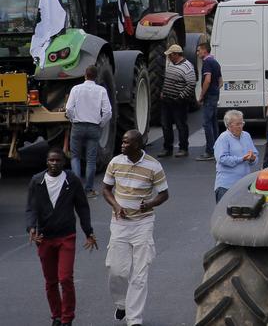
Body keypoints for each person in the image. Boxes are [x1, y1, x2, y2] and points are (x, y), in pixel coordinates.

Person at [103, 129, 168, 326]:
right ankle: (122, 304)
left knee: (140, 274)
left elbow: (164, 194)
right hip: (120, 223)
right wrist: (116, 205)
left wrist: (150, 204)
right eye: (122, 142)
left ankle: (134, 319)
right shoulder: (115, 162)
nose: (122, 145)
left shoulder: (153, 166)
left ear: (137, 145)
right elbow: (106, 189)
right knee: (116, 270)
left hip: (143, 224)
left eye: (126, 143)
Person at [27, 148, 96, 326]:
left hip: (66, 236)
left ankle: (67, 318)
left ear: (64, 163)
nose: (54, 164)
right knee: (50, 281)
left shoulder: (72, 180)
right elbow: (31, 208)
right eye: (51, 160)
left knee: (65, 278)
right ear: (46, 162)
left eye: (58, 160)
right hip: (44, 238)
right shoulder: (37, 181)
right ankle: (56, 316)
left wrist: (88, 232)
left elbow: (82, 207)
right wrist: (31, 228)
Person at [65, 65, 112, 196]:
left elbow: (68, 109)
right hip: (94, 127)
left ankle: (76, 188)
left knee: (75, 157)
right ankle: (89, 188)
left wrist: (73, 119)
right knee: (91, 159)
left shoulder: (76, 89)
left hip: (78, 126)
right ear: (96, 76)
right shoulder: (101, 90)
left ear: (85, 75)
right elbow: (108, 112)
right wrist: (101, 124)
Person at [159, 44, 195, 158]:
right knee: (166, 125)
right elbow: (167, 80)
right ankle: (167, 148)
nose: (168, 57)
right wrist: (163, 92)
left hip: (179, 102)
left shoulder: (187, 66)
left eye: (170, 55)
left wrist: (181, 97)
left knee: (181, 125)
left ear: (175, 54)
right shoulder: (171, 64)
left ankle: (183, 148)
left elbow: (191, 84)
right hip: (166, 100)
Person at [213, 110, 257, 202]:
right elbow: (222, 159)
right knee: (224, 215)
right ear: (229, 125)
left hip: (245, 184)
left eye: (242, 123)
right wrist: (241, 159)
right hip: (226, 186)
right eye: (238, 124)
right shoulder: (223, 138)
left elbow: (255, 156)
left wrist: (252, 159)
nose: (241, 126)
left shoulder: (246, 136)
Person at [195, 41, 222, 162]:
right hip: (215, 95)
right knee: (213, 122)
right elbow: (221, 81)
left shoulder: (207, 62)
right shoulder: (215, 62)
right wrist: (215, 90)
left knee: (207, 123)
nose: (197, 52)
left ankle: (210, 151)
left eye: (199, 50)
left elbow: (207, 80)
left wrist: (201, 95)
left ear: (205, 50)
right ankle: (217, 147)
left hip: (209, 96)